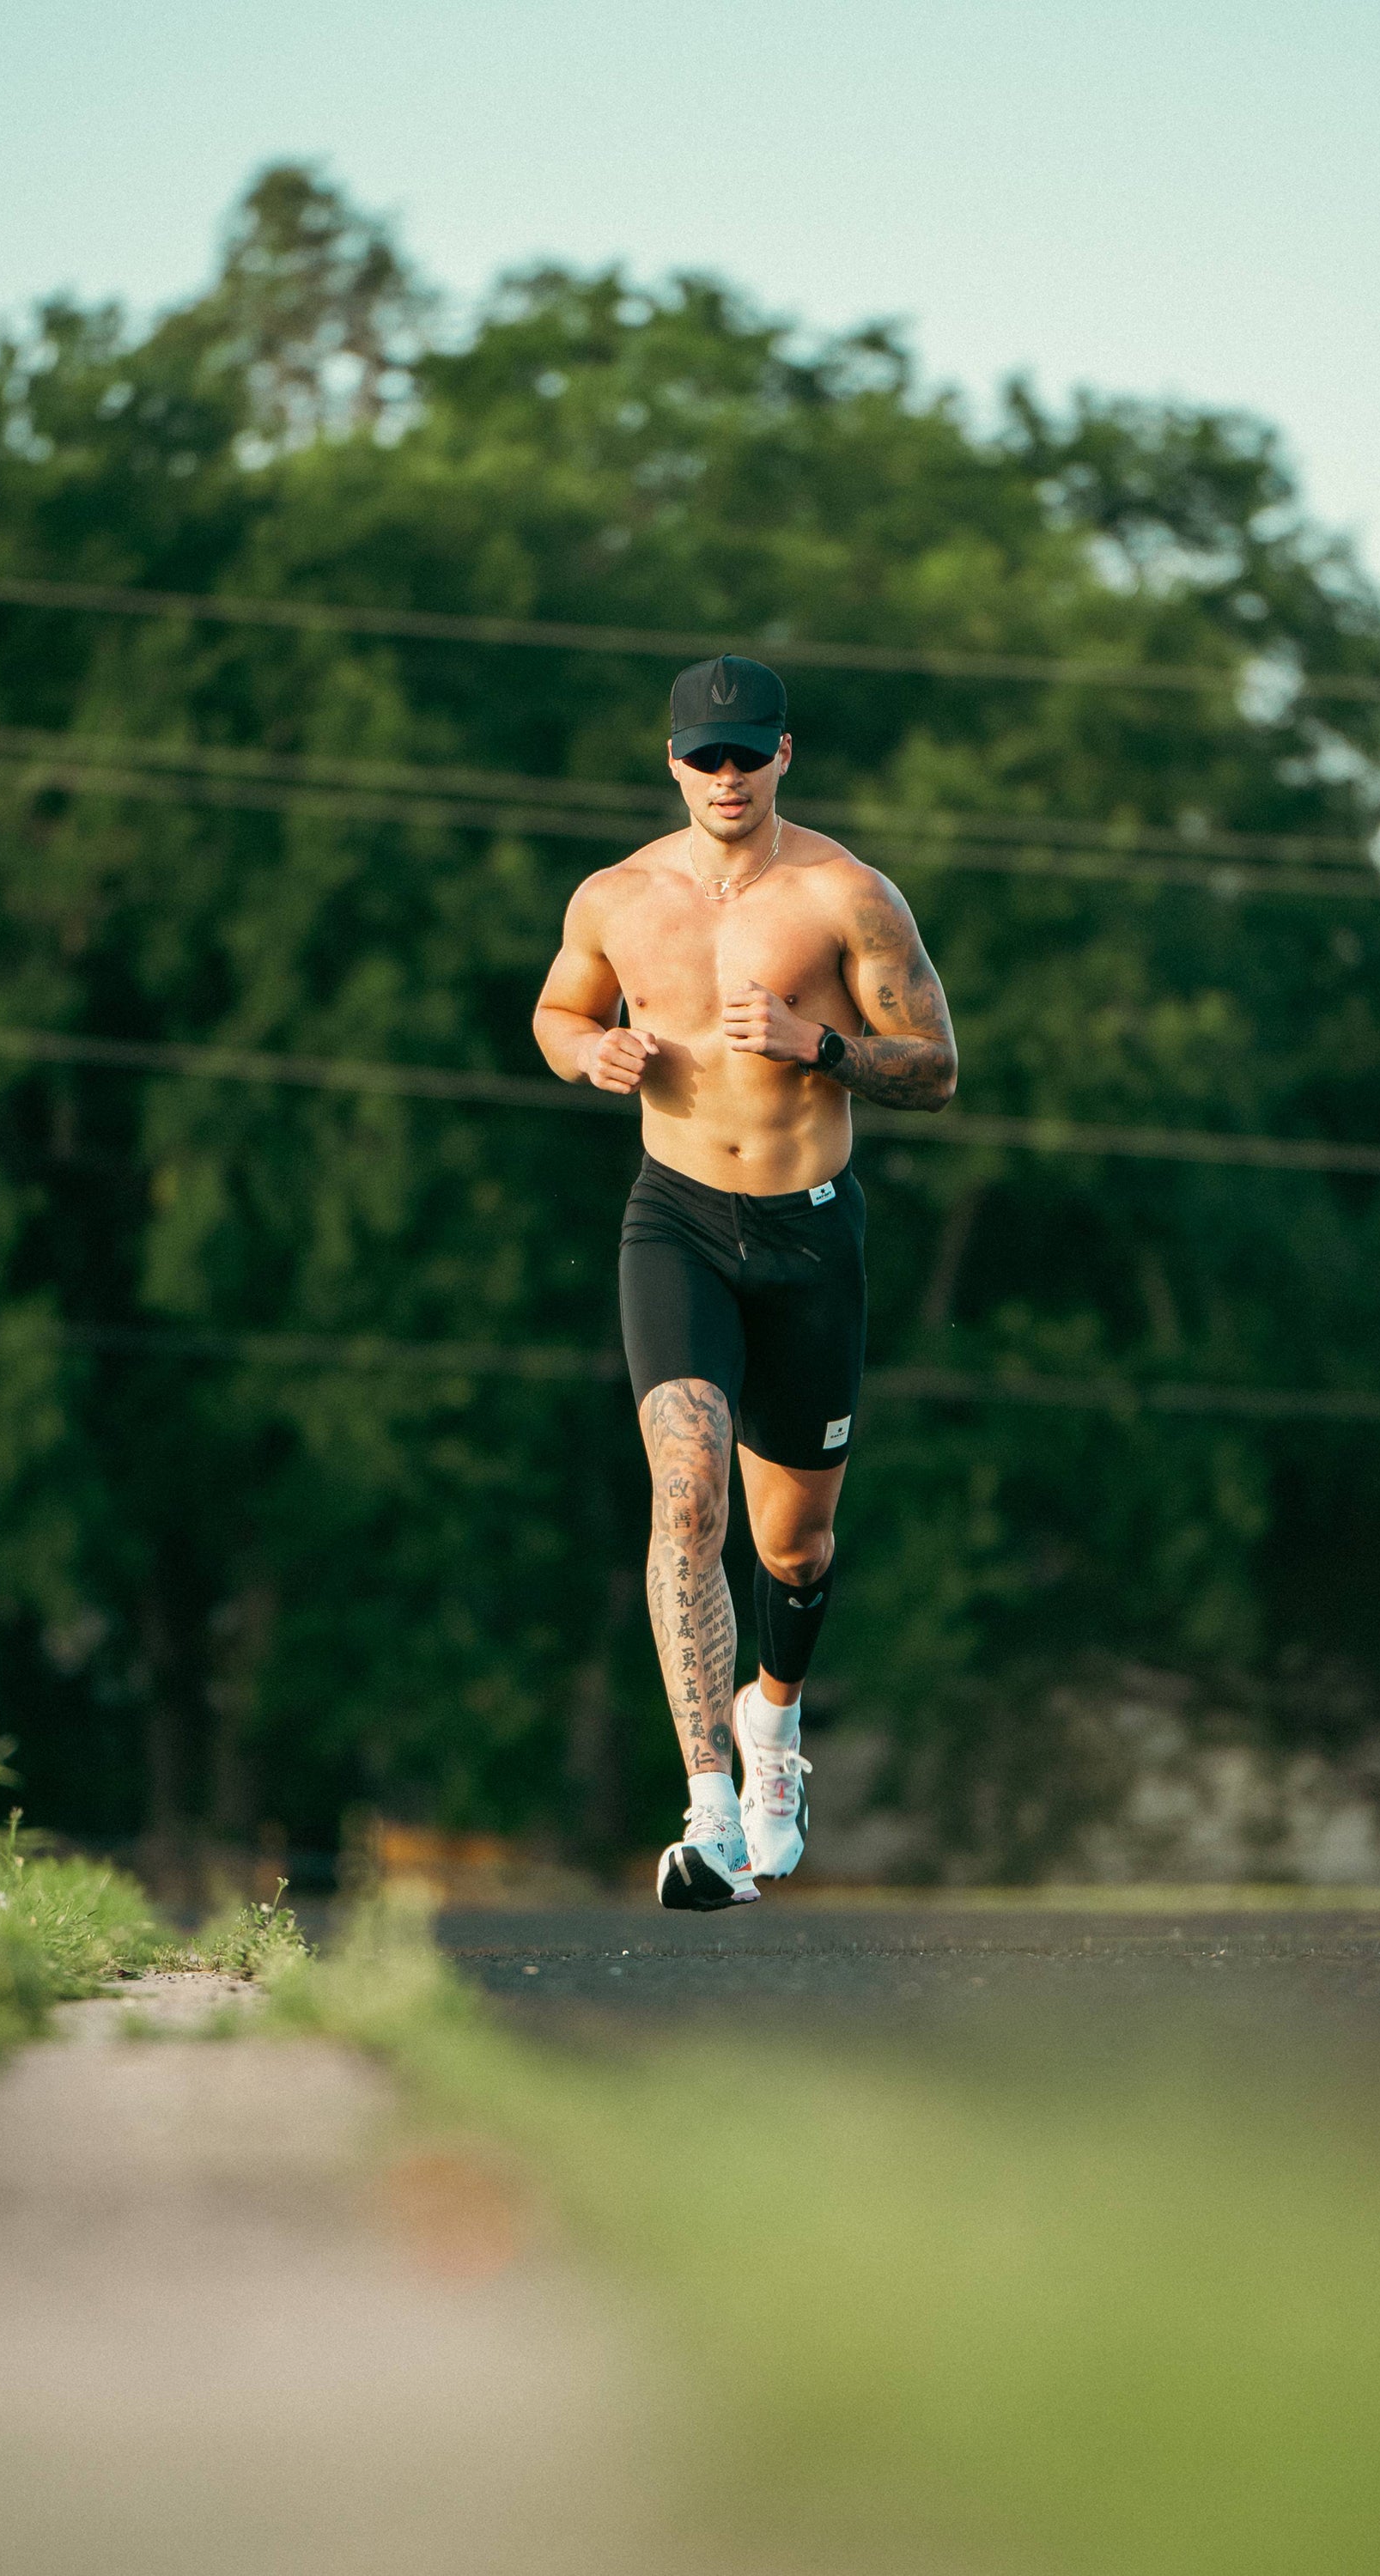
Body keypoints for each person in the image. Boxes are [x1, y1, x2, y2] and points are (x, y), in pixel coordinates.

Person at [532, 655, 957, 1908]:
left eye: (748, 753)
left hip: (810, 1234)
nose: (728, 775)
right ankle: (709, 1814)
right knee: (685, 1495)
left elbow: (936, 1067)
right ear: (672, 762)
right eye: (706, 756)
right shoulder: (616, 898)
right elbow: (556, 1012)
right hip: (675, 1222)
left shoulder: (846, 895)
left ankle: (774, 1722)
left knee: (796, 1544)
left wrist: (816, 1045)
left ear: (784, 756)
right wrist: (590, 1054)